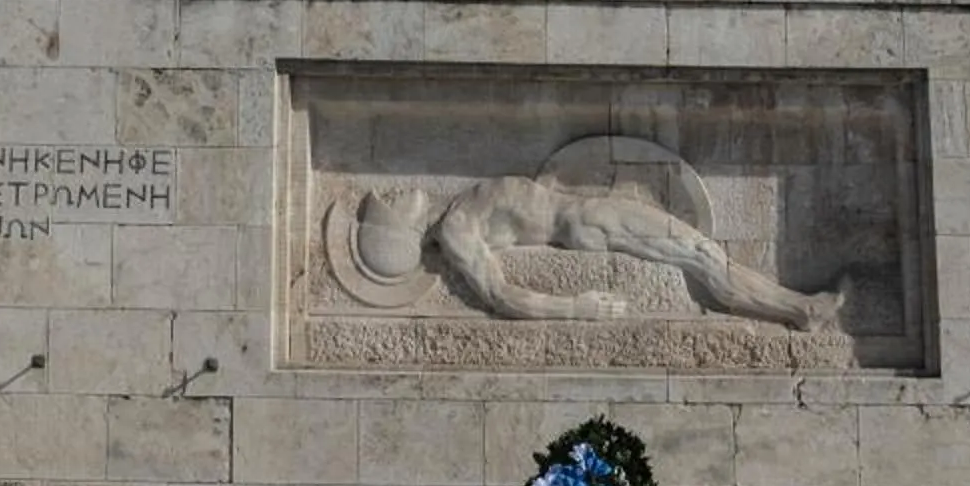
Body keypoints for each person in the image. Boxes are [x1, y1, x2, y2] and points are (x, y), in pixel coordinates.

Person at [354, 174, 839, 328]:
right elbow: (500, 295)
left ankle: (798, 308)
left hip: (594, 211)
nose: (393, 193)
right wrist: (576, 308)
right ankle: (800, 310)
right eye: (390, 206)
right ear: (406, 228)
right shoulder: (457, 228)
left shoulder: (460, 202)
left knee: (703, 256)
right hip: (588, 222)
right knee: (703, 257)